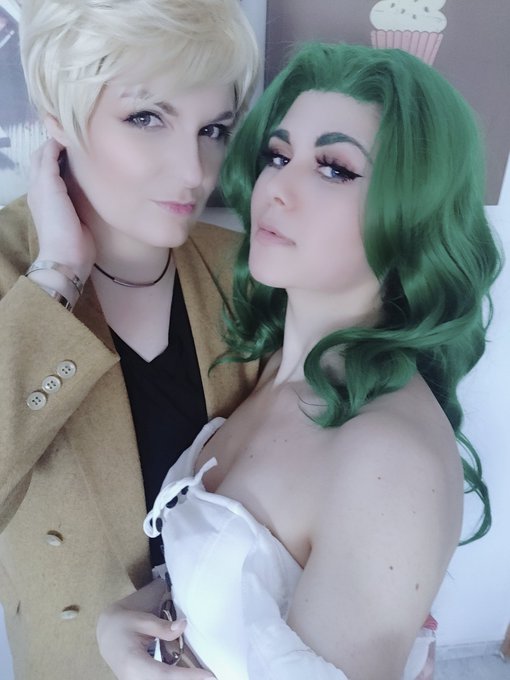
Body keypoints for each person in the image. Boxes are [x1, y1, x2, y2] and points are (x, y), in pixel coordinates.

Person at [96, 41, 502, 680]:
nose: (277, 189)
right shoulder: (269, 371)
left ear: (413, 215)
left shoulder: (388, 459)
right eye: (278, 156)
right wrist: (129, 618)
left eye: (334, 168)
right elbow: (241, 588)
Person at [0, 1, 260, 678]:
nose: (194, 170)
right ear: (57, 116)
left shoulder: (244, 271)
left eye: (213, 129)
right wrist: (58, 273)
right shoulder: (10, 268)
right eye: (147, 117)